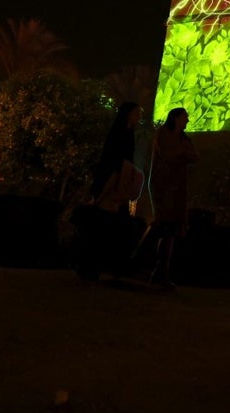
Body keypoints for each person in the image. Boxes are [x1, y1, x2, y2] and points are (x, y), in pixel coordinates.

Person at [75, 101, 146, 281]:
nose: (139, 116)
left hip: (117, 184)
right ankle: (92, 268)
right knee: (102, 226)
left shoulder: (128, 134)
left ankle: (102, 267)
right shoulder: (120, 134)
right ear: (129, 114)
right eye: (137, 112)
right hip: (111, 183)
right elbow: (113, 161)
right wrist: (109, 187)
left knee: (109, 227)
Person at [146, 107, 198, 289]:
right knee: (161, 225)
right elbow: (168, 154)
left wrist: (184, 155)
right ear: (175, 118)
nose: (187, 121)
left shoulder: (184, 139)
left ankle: (161, 272)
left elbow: (193, 156)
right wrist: (182, 155)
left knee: (171, 230)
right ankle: (139, 263)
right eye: (185, 117)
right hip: (163, 186)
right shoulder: (163, 134)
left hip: (177, 188)